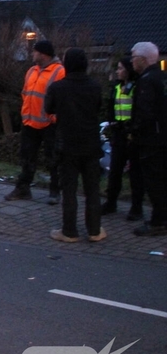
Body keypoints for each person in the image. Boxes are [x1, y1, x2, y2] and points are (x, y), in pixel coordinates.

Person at [44, 48, 104, 242]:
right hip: (91, 143)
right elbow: (98, 107)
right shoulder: (95, 86)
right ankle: (94, 230)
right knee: (92, 189)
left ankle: (69, 231)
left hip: (67, 145)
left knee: (69, 189)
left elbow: (48, 108)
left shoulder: (58, 87)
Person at [5, 40, 65, 204]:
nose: (32, 54)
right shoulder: (31, 71)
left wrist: (53, 117)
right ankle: (23, 188)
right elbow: (26, 93)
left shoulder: (59, 72)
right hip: (30, 122)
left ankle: (55, 191)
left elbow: (61, 99)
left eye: (34, 51)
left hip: (49, 124)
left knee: (53, 158)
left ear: (43, 54)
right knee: (27, 156)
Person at [129, 41, 167, 236]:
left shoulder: (146, 81)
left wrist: (134, 132)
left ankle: (158, 221)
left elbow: (144, 112)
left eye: (134, 57)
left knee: (154, 180)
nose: (132, 61)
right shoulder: (162, 77)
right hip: (162, 136)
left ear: (143, 60)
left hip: (151, 140)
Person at [102, 56, 145, 221]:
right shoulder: (117, 87)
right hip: (119, 133)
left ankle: (136, 208)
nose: (118, 71)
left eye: (120, 68)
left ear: (128, 70)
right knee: (115, 170)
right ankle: (111, 202)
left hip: (133, 134)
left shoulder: (136, 87)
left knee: (136, 173)